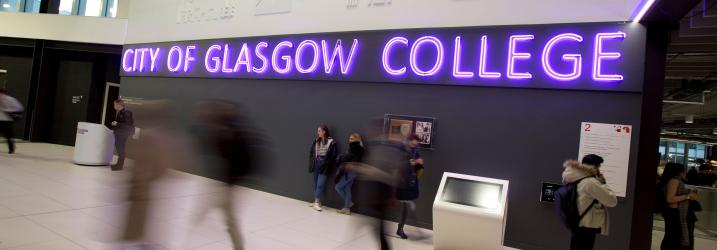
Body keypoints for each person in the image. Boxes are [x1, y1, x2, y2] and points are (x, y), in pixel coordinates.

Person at [191, 100, 260, 250]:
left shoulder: (233, 133)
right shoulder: (225, 132)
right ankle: (202, 217)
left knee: (229, 219)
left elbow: (242, 157)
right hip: (226, 183)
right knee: (225, 215)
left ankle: (238, 246)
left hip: (230, 184)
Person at [561, 154, 618, 250]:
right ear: (595, 167)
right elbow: (612, 201)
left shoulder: (573, 178)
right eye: (599, 166)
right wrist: (603, 182)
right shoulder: (591, 182)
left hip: (576, 222)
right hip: (586, 226)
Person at [660, 163, 700, 250]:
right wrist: (688, 196)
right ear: (680, 172)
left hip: (674, 213)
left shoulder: (670, 181)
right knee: (675, 238)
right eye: (683, 171)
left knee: (672, 237)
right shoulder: (674, 181)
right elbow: (670, 199)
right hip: (675, 213)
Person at [396, 134, 425, 239]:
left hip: (410, 183)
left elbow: (418, 168)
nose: (415, 142)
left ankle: (401, 228)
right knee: (407, 206)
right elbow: (400, 165)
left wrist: (419, 164)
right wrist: (412, 163)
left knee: (407, 206)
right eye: (413, 140)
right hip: (403, 183)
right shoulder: (403, 150)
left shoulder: (415, 152)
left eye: (416, 140)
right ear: (409, 140)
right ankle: (401, 229)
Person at [308, 125, 338, 211]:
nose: (318, 133)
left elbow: (333, 155)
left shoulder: (331, 142)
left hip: (325, 165)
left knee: (321, 184)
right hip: (316, 163)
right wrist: (312, 164)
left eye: (319, 131)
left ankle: (316, 202)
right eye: (318, 131)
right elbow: (311, 152)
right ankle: (317, 201)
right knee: (316, 183)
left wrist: (326, 164)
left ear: (324, 131)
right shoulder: (316, 141)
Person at [334, 133, 365, 215]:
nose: (349, 140)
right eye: (349, 138)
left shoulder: (355, 147)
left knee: (338, 187)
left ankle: (348, 203)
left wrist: (341, 157)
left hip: (350, 171)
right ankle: (346, 208)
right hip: (354, 171)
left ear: (356, 139)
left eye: (351, 139)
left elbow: (348, 157)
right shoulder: (360, 148)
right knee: (347, 188)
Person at [111, 99, 135, 170]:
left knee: (121, 150)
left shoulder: (126, 113)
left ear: (118, 105)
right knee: (119, 150)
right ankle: (118, 165)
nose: (114, 106)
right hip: (119, 134)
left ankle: (119, 166)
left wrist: (117, 123)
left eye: (114, 104)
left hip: (122, 135)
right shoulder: (120, 113)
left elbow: (128, 125)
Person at [0, 88, 23, 154]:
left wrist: (7, 110)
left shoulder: (11, 99)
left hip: (7, 120)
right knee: (8, 135)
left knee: (8, 135)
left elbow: (19, 108)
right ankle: (11, 147)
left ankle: (11, 148)